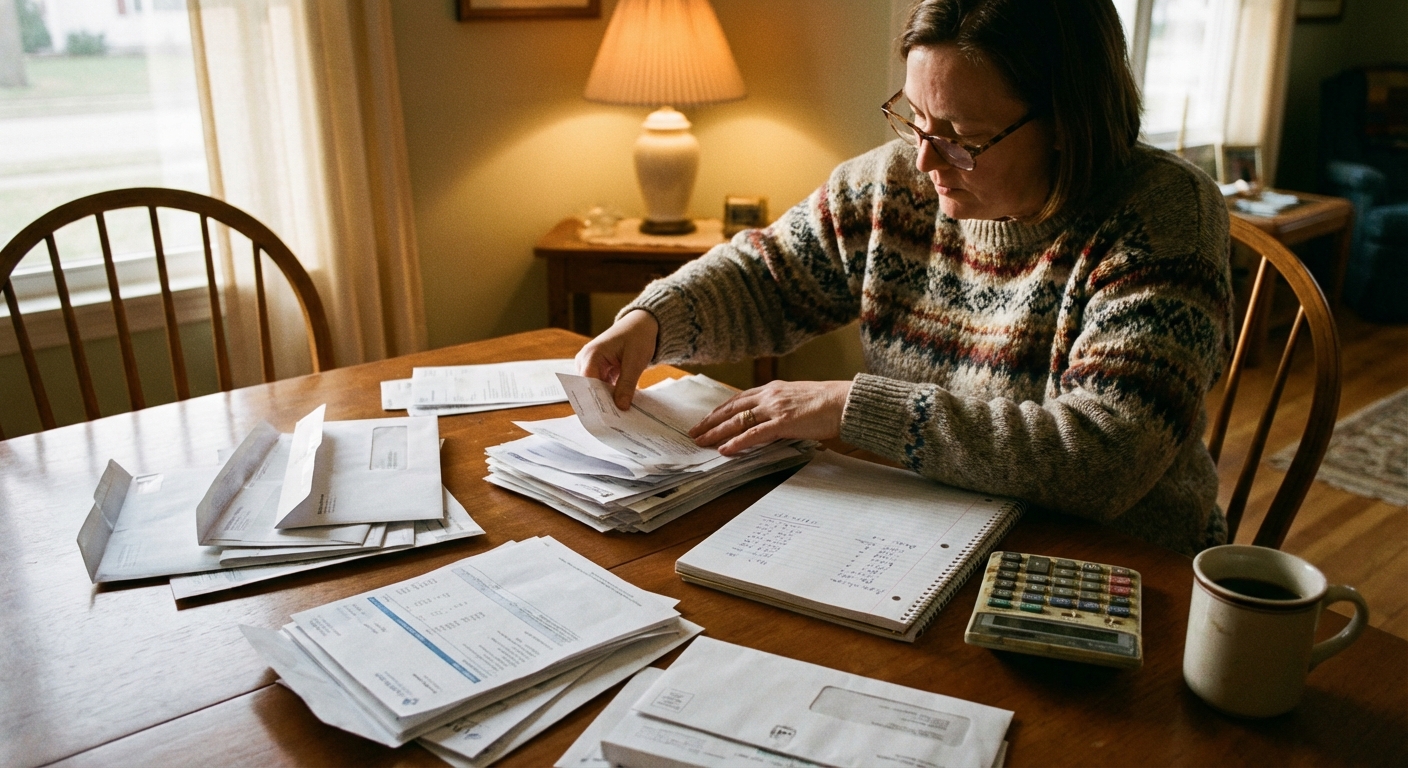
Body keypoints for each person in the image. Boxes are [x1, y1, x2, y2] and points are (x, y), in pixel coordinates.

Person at [576, 0, 1233, 556]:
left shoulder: (1163, 213)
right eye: (915, 117)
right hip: (929, 532)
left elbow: (1103, 460)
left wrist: (848, 409)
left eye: (961, 137)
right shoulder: (894, 183)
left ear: (1066, 123)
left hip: (1125, 563)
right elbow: (767, 277)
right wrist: (653, 320)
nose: (924, 158)